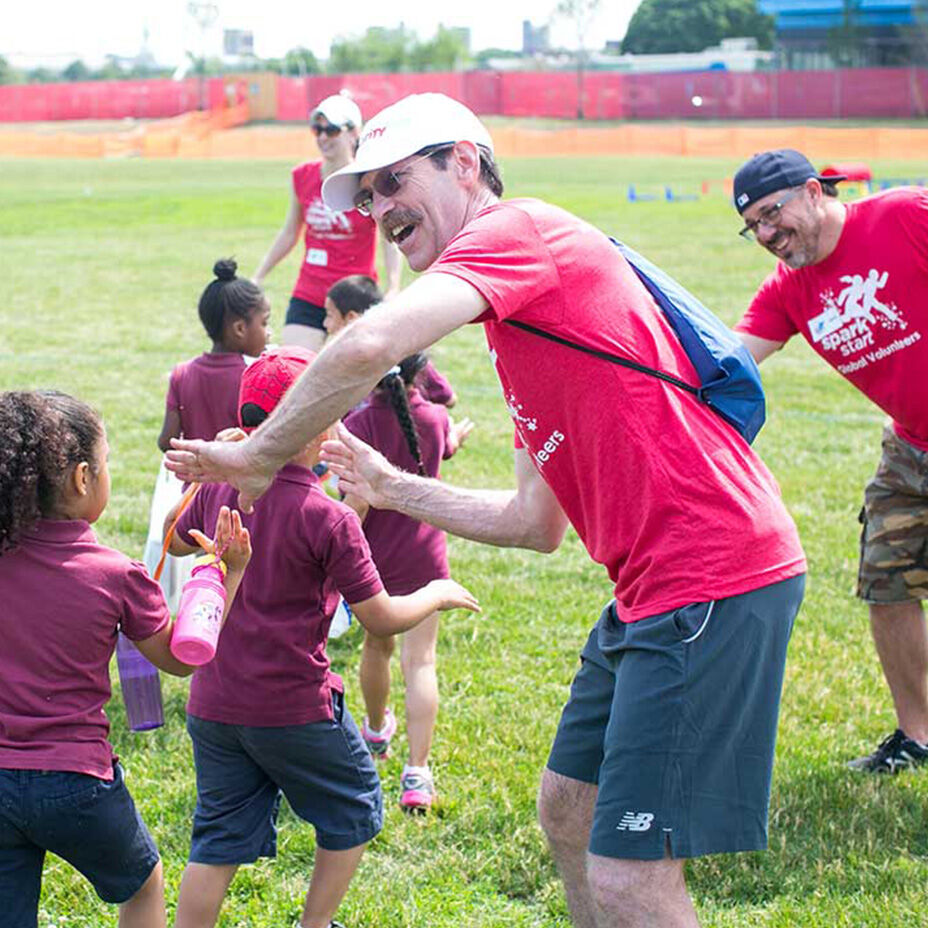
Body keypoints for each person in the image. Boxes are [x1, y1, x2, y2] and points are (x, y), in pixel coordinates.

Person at [165, 93, 807, 928]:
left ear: (464, 164)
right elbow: (533, 524)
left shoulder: (515, 230)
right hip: (649, 590)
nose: (379, 208)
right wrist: (391, 486)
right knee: (568, 812)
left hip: (713, 572)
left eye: (395, 181)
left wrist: (258, 454)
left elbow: (368, 344)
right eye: (368, 196)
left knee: (631, 876)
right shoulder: (519, 328)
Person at [167, 347, 479, 928]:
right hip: (294, 709)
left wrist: (218, 469)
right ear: (314, 428)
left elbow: (175, 536)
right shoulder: (327, 517)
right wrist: (436, 592)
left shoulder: (218, 491)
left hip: (214, 705)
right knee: (354, 806)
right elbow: (381, 618)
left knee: (217, 839)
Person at [0, 390, 250, 928]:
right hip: (75, 782)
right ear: (82, 479)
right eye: (107, 462)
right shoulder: (116, 576)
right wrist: (225, 574)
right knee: (141, 883)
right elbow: (182, 657)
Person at [730, 148, 928, 773]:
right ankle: (919, 735)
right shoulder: (788, 290)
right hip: (911, 451)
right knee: (886, 581)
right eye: (753, 227)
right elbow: (725, 361)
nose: (766, 234)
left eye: (771, 214)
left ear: (814, 192)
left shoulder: (905, 215)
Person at [342, 352, 473, 813]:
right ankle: (417, 772)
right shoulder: (436, 418)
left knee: (376, 647)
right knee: (421, 662)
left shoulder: (355, 426)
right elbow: (434, 449)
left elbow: (352, 499)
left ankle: (376, 730)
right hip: (424, 556)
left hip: (373, 556)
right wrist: (452, 440)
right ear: (421, 370)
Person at [252, 94, 402, 353]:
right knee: (293, 364)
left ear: (354, 132)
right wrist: (258, 276)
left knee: (355, 371)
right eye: (317, 130)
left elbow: (388, 238)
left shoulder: (368, 180)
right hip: (309, 292)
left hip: (354, 296)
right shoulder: (302, 176)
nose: (322, 137)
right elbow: (290, 233)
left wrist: (393, 286)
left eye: (331, 130)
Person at [157, 258, 270, 454]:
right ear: (240, 328)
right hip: (238, 474)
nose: (268, 332)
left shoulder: (181, 374)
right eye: (264, 323)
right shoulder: (253, 378)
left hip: (194, 474)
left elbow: (167, 441)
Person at [324, 275, 457, 407]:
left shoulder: (404, 355)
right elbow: (449, 399)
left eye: (329, 315)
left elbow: (448, 399)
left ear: (351, 318)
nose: (325, 323)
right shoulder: (339, 360)